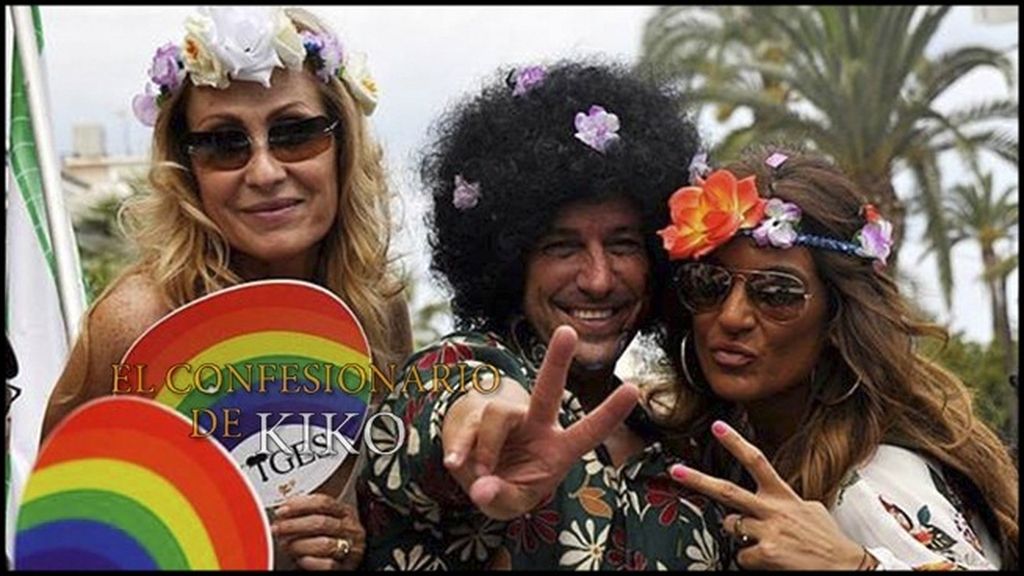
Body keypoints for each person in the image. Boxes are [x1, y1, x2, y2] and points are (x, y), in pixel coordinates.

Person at [39, 7, 412, 570]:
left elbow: (399, 513)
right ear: (187, 167)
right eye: (223, 143)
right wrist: (225, 543)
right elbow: (63, 545)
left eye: (295, 134)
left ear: (342, 145)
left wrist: (356, 541)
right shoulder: (137, 324)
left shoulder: (376, 308)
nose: (263, 172)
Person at [358, 60, 731, 570]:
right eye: (563, 247)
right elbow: (452, 405)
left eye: (623, 245)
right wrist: (486, 432)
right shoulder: (460, 369)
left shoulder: (691, 460)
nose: (598, 278)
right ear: (511, 263)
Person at [655, 145, 1018, 569]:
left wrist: (853, 565)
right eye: (709, 283)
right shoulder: (732, 449)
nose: (732, 316)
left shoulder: (869, 483)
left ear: (836, 320)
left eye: (777, 293)